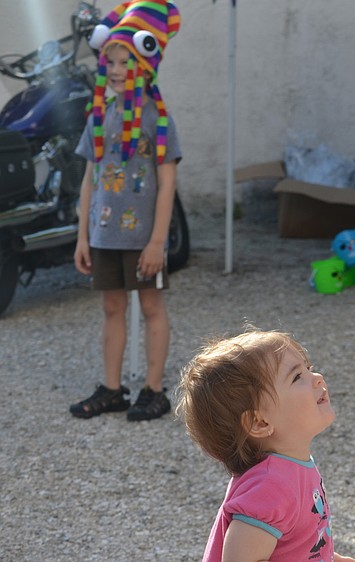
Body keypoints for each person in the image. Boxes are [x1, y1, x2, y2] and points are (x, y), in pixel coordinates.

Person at [69, 0, 182, 421]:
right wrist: (82, 236)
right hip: (103, 234)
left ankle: (154, 389)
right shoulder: (99, 115)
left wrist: (157, 240)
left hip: (142, 238)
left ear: (145, 64)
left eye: (124, 61)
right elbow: (89, 178)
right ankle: (112, 388)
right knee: (111, 308)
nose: (115, 69)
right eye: (109, 61)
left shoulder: (158, 119)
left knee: (151, 307)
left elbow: (168, 181)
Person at [175, 330, 355, 562]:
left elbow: (296, 545)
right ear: (260, 422)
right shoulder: (270, 486)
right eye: (297, 377)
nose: (318, 377)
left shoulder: (290, 466)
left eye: (308, 368)